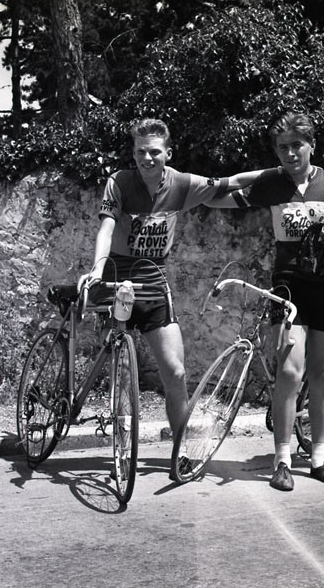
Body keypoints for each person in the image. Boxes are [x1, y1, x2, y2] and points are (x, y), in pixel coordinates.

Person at [80, 118, 272, 478]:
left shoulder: (182, 184)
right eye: (141, 151)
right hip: (117, 281)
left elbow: (231, 182)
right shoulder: (119, 182)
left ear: (168, 153)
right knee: (122, 370)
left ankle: (179, 451)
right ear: (133, 153)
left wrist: (278, 172)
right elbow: (106, 228)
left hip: (154, 284)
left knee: (176, 371)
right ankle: (121, 450)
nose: (147, 158)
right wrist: (97, 269)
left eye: (155, 151)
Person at [210, 111, 324, 491]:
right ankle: (282, 460)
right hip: (287, 288)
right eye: (282, 147)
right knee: (288, 371)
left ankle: (319, 458)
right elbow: (222, 200)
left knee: (322, 374)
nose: (290, 153)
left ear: (311, 145)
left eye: (296, 145)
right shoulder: (272, 183)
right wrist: (193, 190)